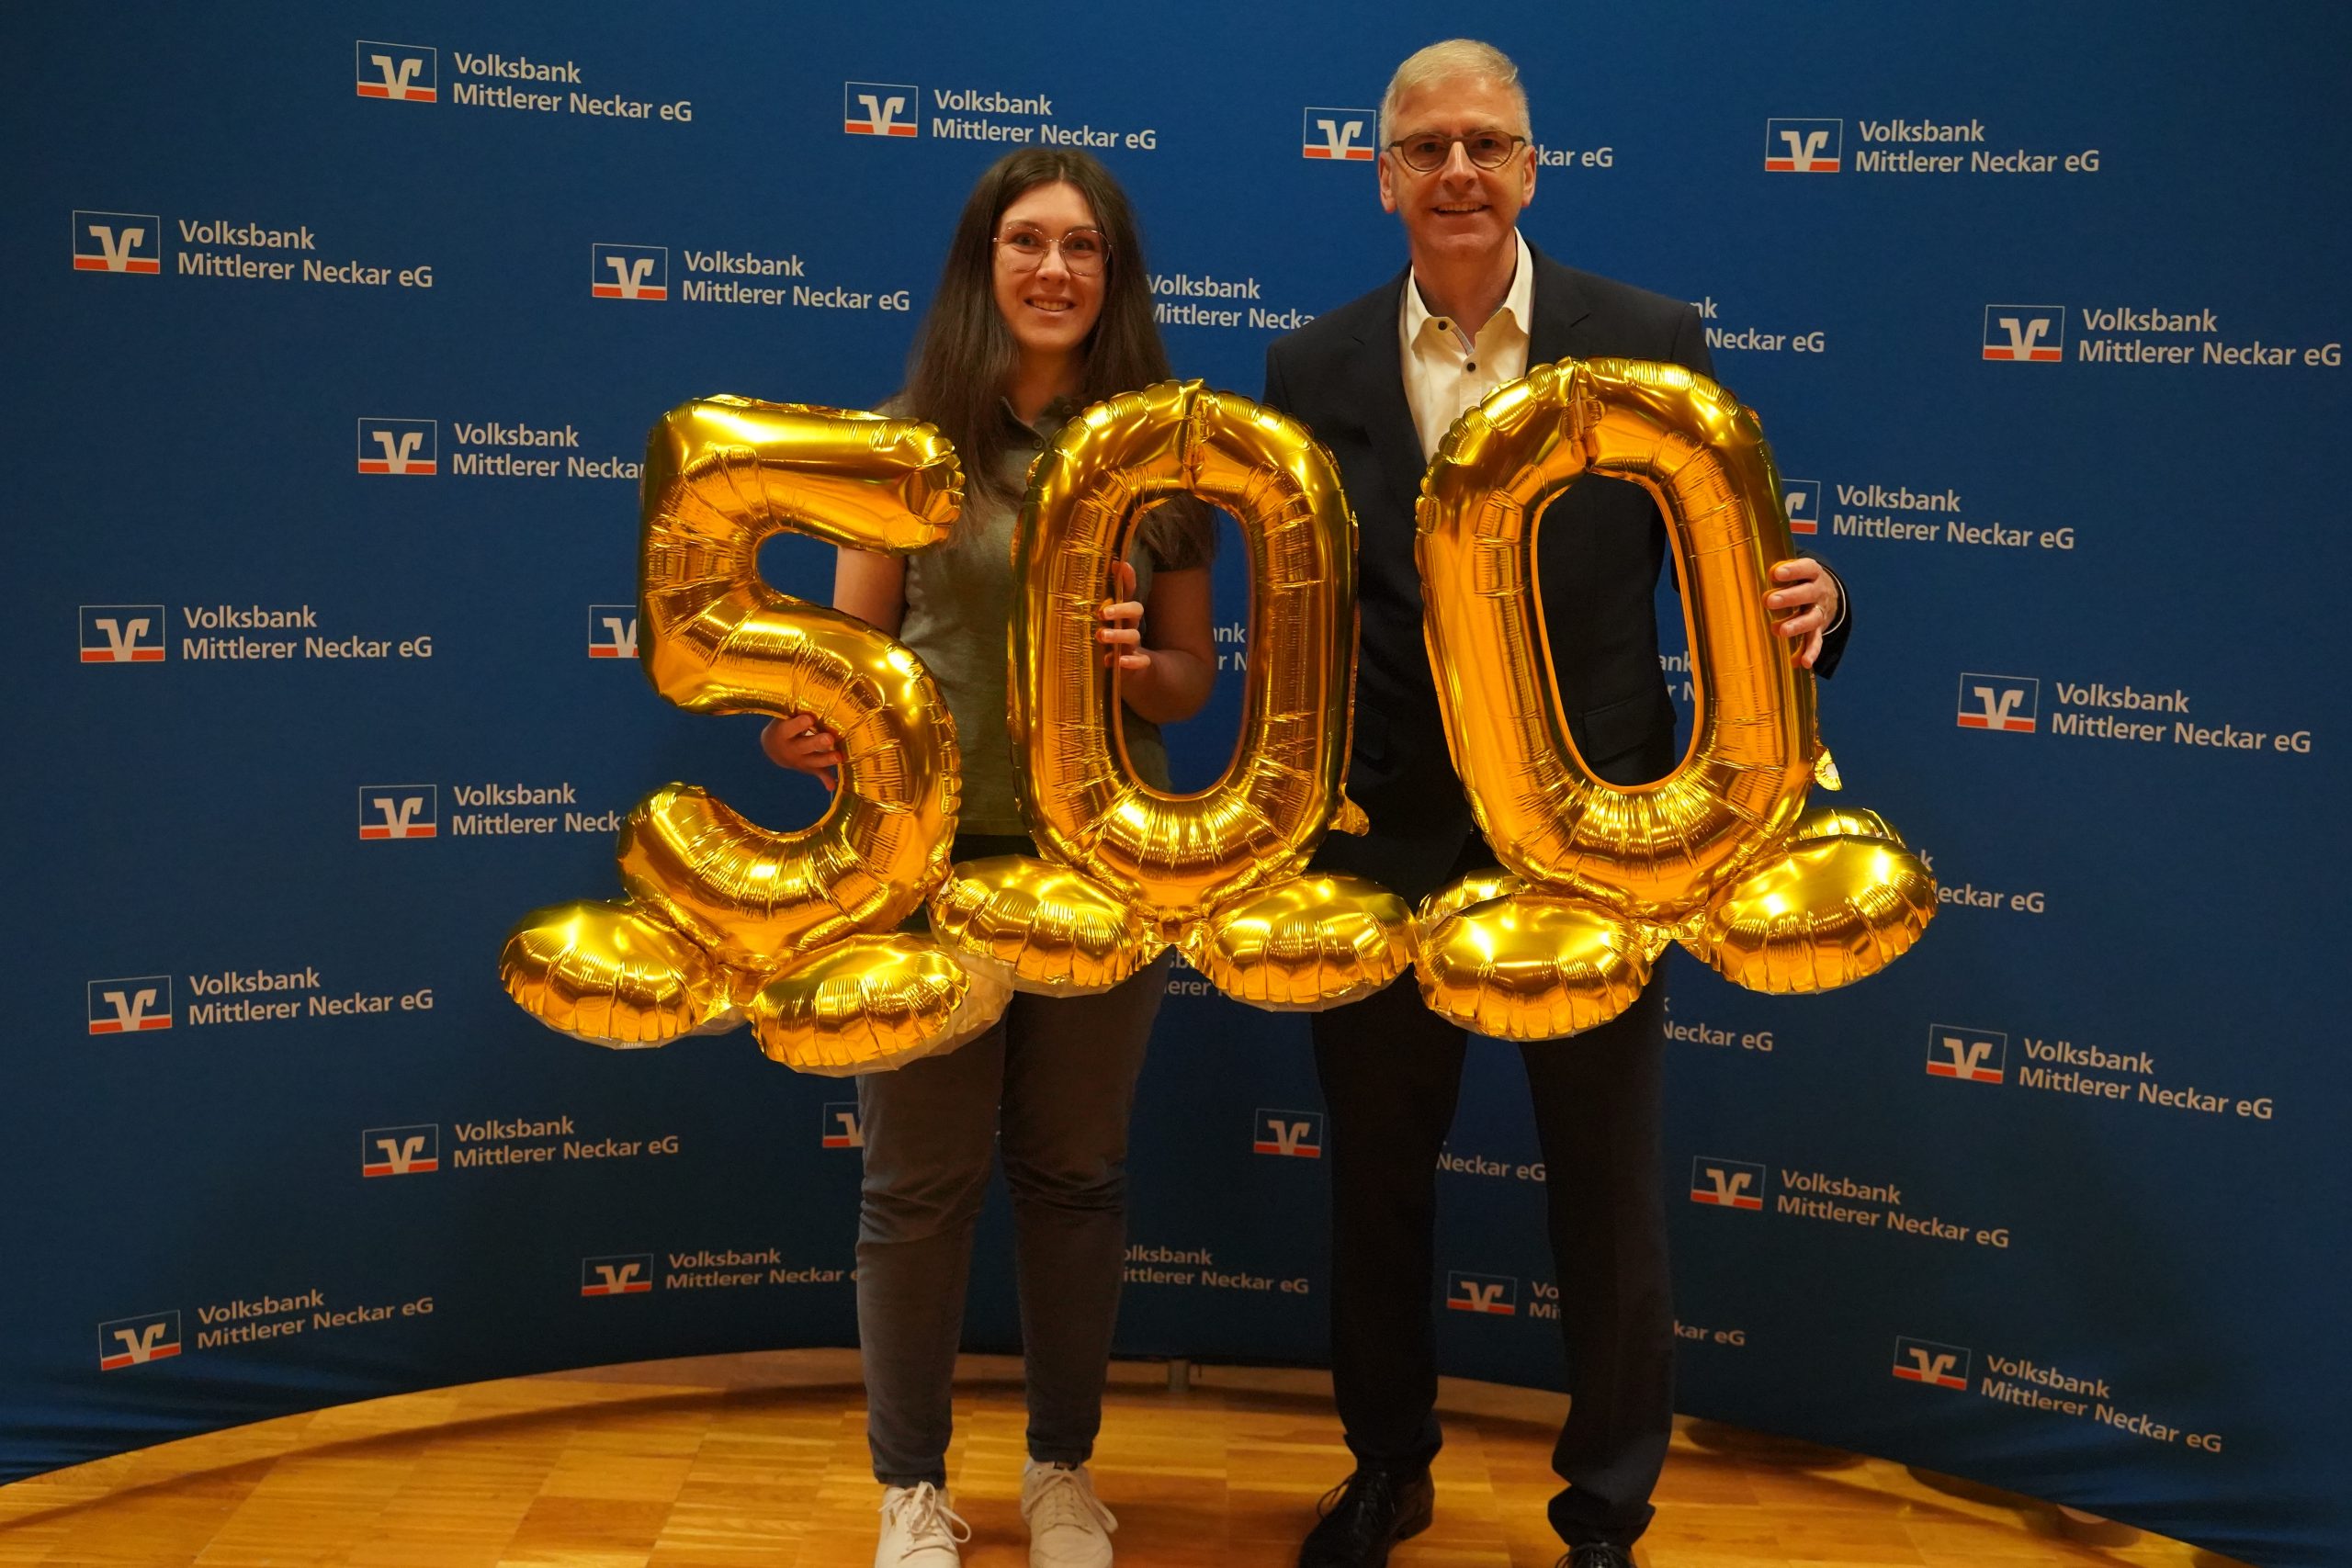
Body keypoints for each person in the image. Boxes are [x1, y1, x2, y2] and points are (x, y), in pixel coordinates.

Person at [1261, 40, 1850, 1568]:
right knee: (1377, 1186)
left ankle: (1606, 1509)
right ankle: (1386, 1468)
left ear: (1532, 168)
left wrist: (1821, 607)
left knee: (1605, 1194)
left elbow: (1743, 569)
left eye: (1487, 143)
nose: (1458, 170)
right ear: (1381, 176)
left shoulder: (1652, 338)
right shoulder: (1309, 368)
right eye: (1427, 146)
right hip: (1387, 843)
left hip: (1604, 845)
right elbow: (1310, 616)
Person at [761, 148, 1216, 1568]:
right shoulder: (909, 449)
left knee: (1075, 1176)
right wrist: (820, 727)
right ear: (983, 264)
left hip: (1106, 869)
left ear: (1114, 278)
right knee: (917, 1187)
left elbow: (1193, 677)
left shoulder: (1166, 456)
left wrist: (1139, 668)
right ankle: (911, 1489)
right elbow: (862, 657)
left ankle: (1061, 1473)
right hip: (926, 869)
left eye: (1082, 246)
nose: (1053, 269)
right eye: (1027, 241)